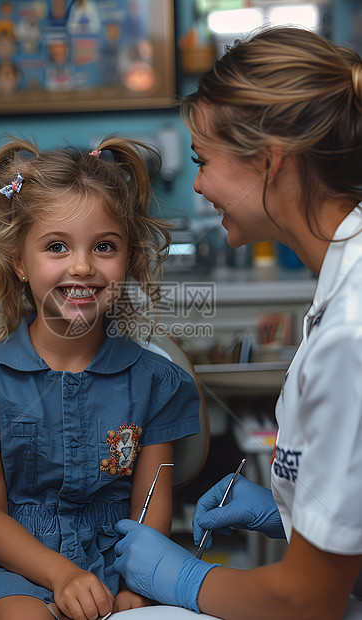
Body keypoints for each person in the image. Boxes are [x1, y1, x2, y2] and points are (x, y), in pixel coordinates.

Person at [114, 26, 362, 619]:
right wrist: (293, 511)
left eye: (205, 162)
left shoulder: (350, 335)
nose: (197, 184)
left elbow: (304, 602)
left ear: (270, 162)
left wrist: (183, 578)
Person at [0, 136, 201, 620]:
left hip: (121, 562)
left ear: (129, 258)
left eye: (105, 246)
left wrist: (141, 582)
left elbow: (149, 511)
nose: (82, 266)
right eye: (56, 246)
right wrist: (61, 575)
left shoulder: (158, 384)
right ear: (18, 261)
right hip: (7, 568)